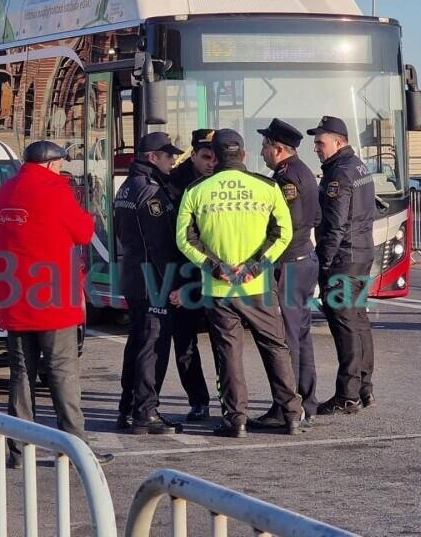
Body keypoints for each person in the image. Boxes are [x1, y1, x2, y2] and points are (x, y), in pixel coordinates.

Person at [176, 128, 304, 437]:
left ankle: (236, 420)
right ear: (243, 155)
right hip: (258, 285)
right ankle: (291, 415)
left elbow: (184, 238)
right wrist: (255, 266)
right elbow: (283, 233)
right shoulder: (267, 186)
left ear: (215, 157)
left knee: (228, 354)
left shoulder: (197, 189)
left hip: (219, 287)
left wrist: (215, 267)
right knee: (276, 347)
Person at [0, 140, 112, 467]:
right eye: (60, 164)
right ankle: (76, 451)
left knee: (21, 376)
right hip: (53, 300)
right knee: (62, 376)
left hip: (16, 297)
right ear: (49, 164)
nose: (62, 169)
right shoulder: (56, 190)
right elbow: (85, 232)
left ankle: (19, 452)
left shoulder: (4, 192)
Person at [114, 131, 186, 435]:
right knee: (152, 346)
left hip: (133, 275)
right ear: (152, 158)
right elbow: (158, 244)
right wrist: (170, 282)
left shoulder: (128, 188)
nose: (173, 160)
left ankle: (129, 408)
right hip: (152, 279)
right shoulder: (152, 192)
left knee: (138, 342)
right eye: (168, 155)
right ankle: (145, 411)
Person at [252, 118, 321, 429]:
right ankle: (306, 401)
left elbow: (282, 227)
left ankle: (287, 406)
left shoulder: (286, 180)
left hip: (289, 265)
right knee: (301, 335)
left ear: (278, 149)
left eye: (265, 146)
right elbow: (316, 216)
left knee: (286, 338)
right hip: (304, 260)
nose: (262, 151)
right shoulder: (301, 171)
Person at [309, 116, 376, 415]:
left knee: (345, 325)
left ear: (338, 142)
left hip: (343, 259)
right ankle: (364, 388)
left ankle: (347, 395)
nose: (316, 148)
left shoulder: (339, 174)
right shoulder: (358, 166)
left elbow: (335, 225)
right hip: (360, 254)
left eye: (320, 142)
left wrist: (322, 262)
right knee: (358, 321)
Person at [166, 128, 219, 422]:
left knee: (223, 342)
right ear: (194, 155)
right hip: (186, 274)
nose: (212, 163)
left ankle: (230, 399)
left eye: (216, 157)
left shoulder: (224, 179)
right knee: (185, 343)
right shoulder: (176, 184)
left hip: (219, 273)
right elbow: (172, 240)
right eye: (206, 157)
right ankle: (198, 400)